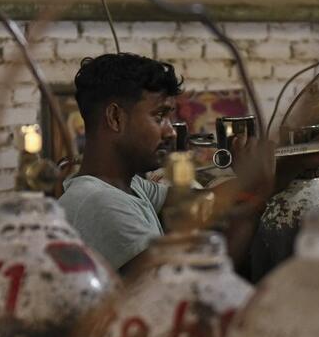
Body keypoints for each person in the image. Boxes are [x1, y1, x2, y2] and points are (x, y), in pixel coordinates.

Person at [58, 53, 277, 276]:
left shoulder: (128, 186)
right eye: (159, 116)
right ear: (115, 117)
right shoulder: (100, 203)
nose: (170, 131)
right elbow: (184, 287)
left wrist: (268, 171)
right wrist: (254, 197)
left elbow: (205, 199)